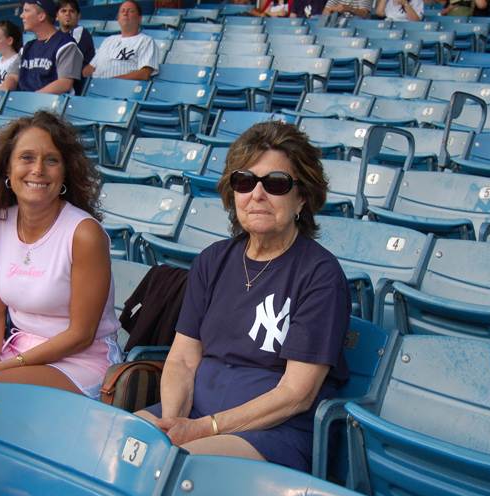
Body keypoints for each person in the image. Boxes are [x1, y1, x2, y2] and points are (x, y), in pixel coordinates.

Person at [135, 121, 352, 473]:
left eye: (276, 184)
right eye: (245, 181)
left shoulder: (320, 275)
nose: (257, 194)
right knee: (116, 445)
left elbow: (297, 394)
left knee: (175, 468)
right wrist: (173, 424)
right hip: (192, 415)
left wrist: (204, 429)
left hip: (275, 431)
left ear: (302, 197)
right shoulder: (212, 260)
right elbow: (182, 361)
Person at [0, 111, 122, 398]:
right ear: (7, 170)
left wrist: (5, 368)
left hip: (81, 359)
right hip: (17, 347)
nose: (38, 169)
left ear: (64, 172)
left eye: (51, 160)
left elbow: (81, 335)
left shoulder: (84, 234)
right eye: (26, 158)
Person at [5, 0, 83, 94]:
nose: (22, 15)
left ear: (41, 16)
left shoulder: (66, 45)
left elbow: (64, 84)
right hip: (24, 103)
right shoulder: (27, 48)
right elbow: (12, 77)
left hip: (50, 105)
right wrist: (3, 94)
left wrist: (29, 100)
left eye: (26, 11)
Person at [88, 0, 159, 80]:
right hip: (96, 88)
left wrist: (109, 82)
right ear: (118, 19)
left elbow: (144, 74)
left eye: (130, 11)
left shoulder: (146, 41)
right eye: (122, 11)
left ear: (140, 19)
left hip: (124, 89)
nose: (125, 14)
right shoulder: (108, 40)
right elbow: (90, 68)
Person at [57, 0, 96, 80]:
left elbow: (69, 60)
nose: (67, 14)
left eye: (71, 11)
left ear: (78, 16)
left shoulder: (82, 33)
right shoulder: (56, 35)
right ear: (57, 16)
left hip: (75, 82)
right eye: (63, 11)